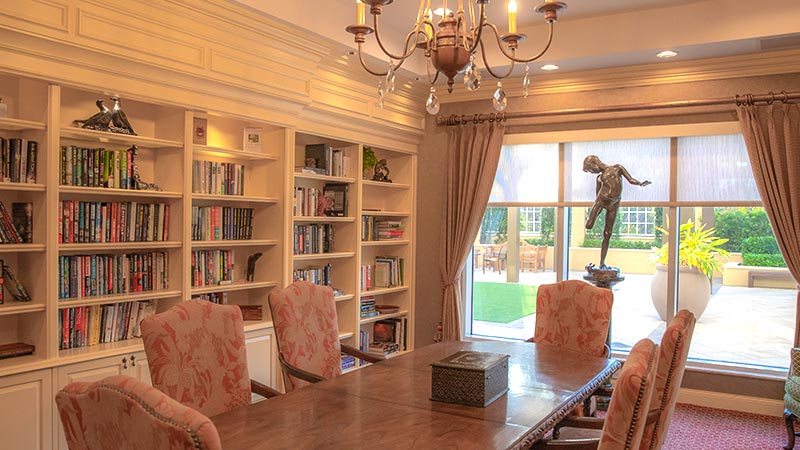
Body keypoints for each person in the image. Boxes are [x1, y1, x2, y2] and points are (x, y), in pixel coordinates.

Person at [583, 155, 650, 269]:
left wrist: (640, 183)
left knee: (607, 234)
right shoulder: (599, 178)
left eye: (590, 170)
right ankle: (589, 220)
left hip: (614, 204)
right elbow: (596, 194)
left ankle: (602, 263)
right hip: (600, 201)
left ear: (594, 164)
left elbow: (630, 179)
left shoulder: (617, 168)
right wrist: (596, 212)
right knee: (589, 226)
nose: (592, 173)